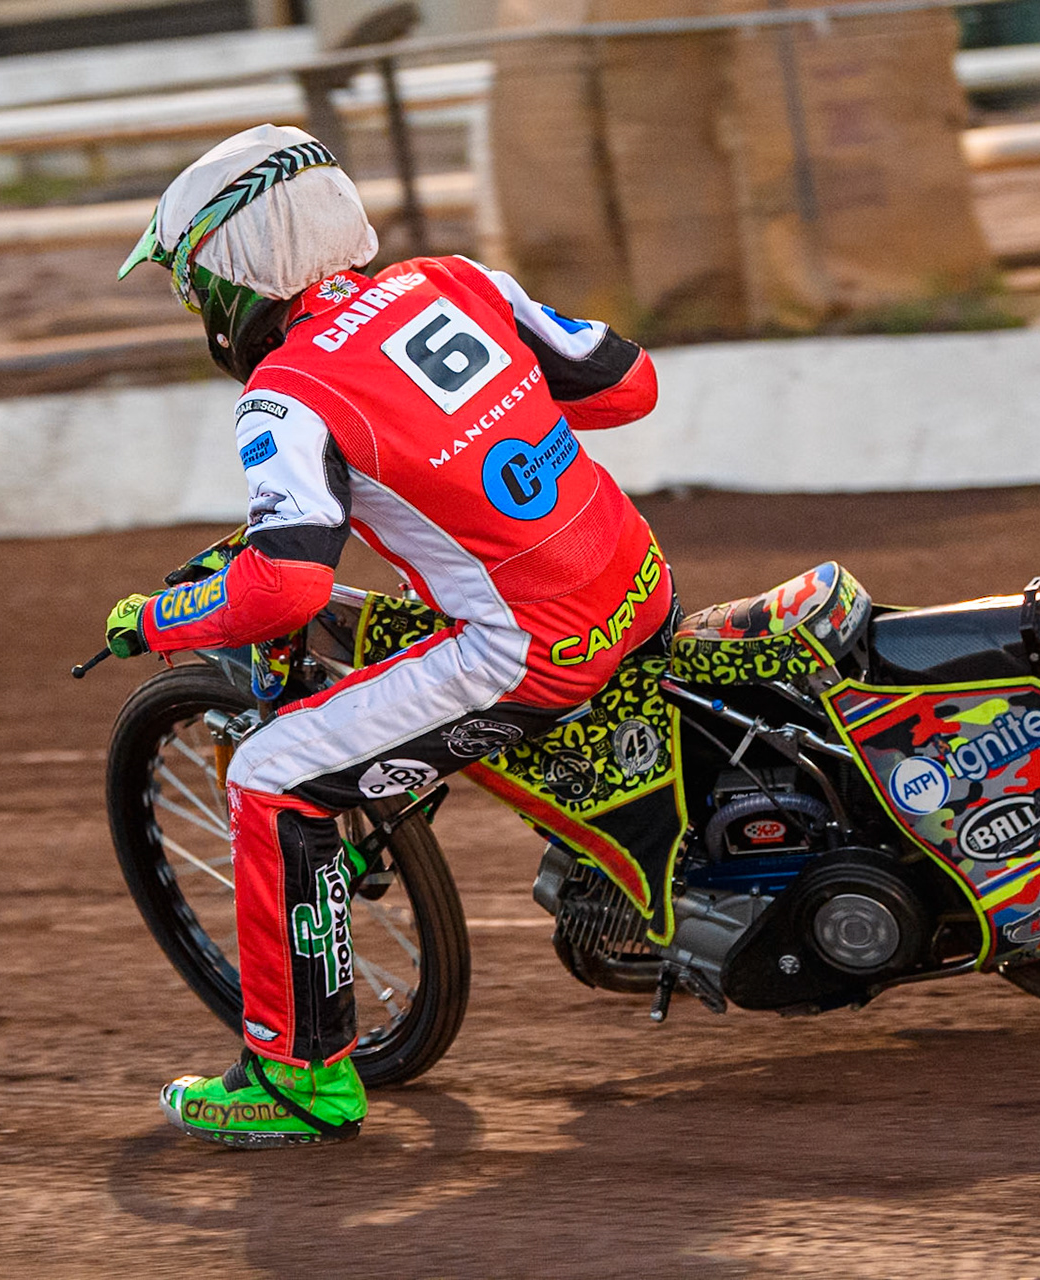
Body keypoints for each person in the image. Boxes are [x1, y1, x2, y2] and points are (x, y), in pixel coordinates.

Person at [106, 124, 674, 1148]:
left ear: (236, 278)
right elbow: (627, 386)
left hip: (532, 647)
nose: (199, 312)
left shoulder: (284, 396)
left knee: (276, 772)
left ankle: (296, 1079)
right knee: (390, 627)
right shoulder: (453, 281)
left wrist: (153, 621)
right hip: (638, 576)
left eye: (196, 287)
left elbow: (282, 586)